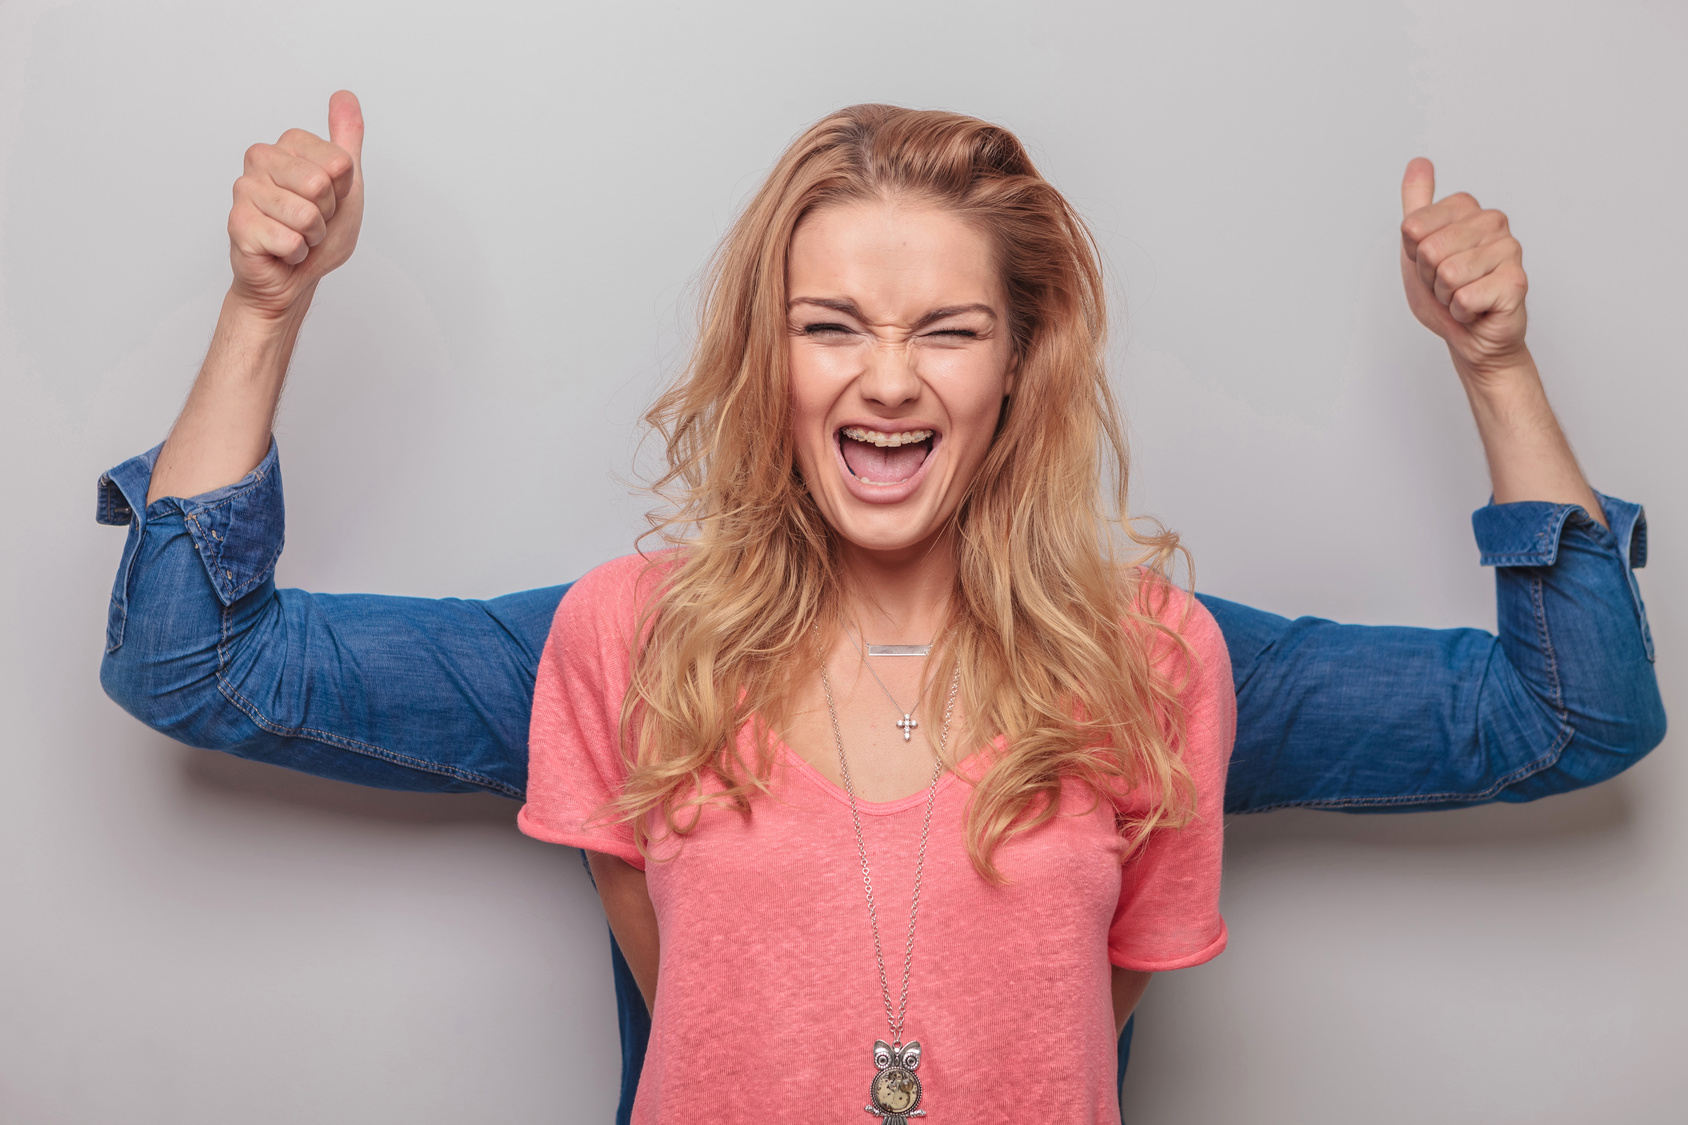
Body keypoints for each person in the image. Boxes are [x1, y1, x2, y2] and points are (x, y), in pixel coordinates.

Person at [96, 92, 1663, 1120]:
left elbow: (1575, 713)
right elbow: (193, 663)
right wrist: (265, 307)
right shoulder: (629, 638)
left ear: (1016, 366)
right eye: (831, 324)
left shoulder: (1155, 661)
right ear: (767, 357)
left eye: (950, 330)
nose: (890, 379)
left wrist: (1496, 366)